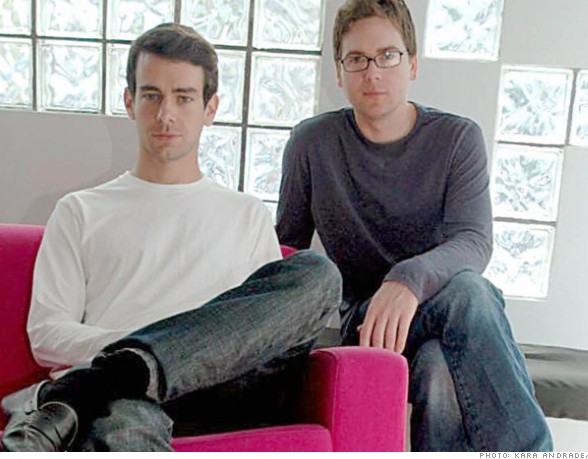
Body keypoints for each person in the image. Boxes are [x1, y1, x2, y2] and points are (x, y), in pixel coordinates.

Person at [1, 23, 341, 452]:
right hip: (129, 400)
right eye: (151, 96)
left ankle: (89, 387)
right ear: (129, 102)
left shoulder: (247, 213)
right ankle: (126, 374)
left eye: (183, 98)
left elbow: (267, 332)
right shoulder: (80, 210)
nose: (166, 114)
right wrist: (149, 353)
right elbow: (48, 334)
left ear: (210, 107)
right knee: (120, 414)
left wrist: (129, 360)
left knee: (318, 273)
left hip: (226, 389)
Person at [276, 0, 551, 452]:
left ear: (413, 64)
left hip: (448, 308)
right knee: (470, 293)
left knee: (438, 365)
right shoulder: (312, 143)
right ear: (339, 72)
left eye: (388, 55)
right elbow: (286, 250)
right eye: (357, 59)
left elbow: (474, 241)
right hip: (369, 324)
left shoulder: (457, 139)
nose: (373, 73)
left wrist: (407, 281)